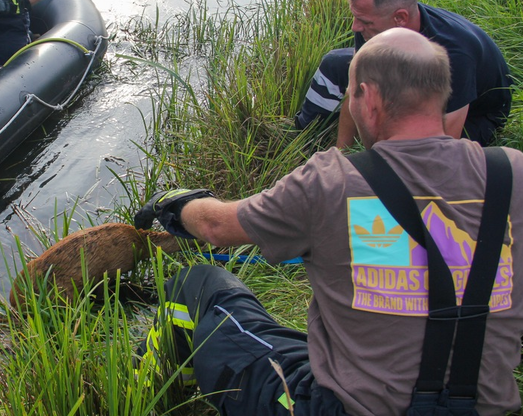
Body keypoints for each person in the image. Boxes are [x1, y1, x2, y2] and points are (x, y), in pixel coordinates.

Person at [134, 28, 523, 416]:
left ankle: (154, 395)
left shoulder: (331, 180)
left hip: (341, 409)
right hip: (479, 408)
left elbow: (216, 228)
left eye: (350, 94)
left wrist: (174, 203)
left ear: (368, 99)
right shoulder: (513, 174)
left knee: (199, 284)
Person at [295, 0, 512, 148]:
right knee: (334, 63)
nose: (355, 27)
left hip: (477, 115)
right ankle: (304, 134)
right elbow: (355, 92)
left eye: (364, 21)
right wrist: (341, 159)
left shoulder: (454, 54)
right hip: (409, 72)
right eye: (355, 16)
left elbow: (444, 142)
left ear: (400, 18)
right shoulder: (373, 25)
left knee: (409, 151)